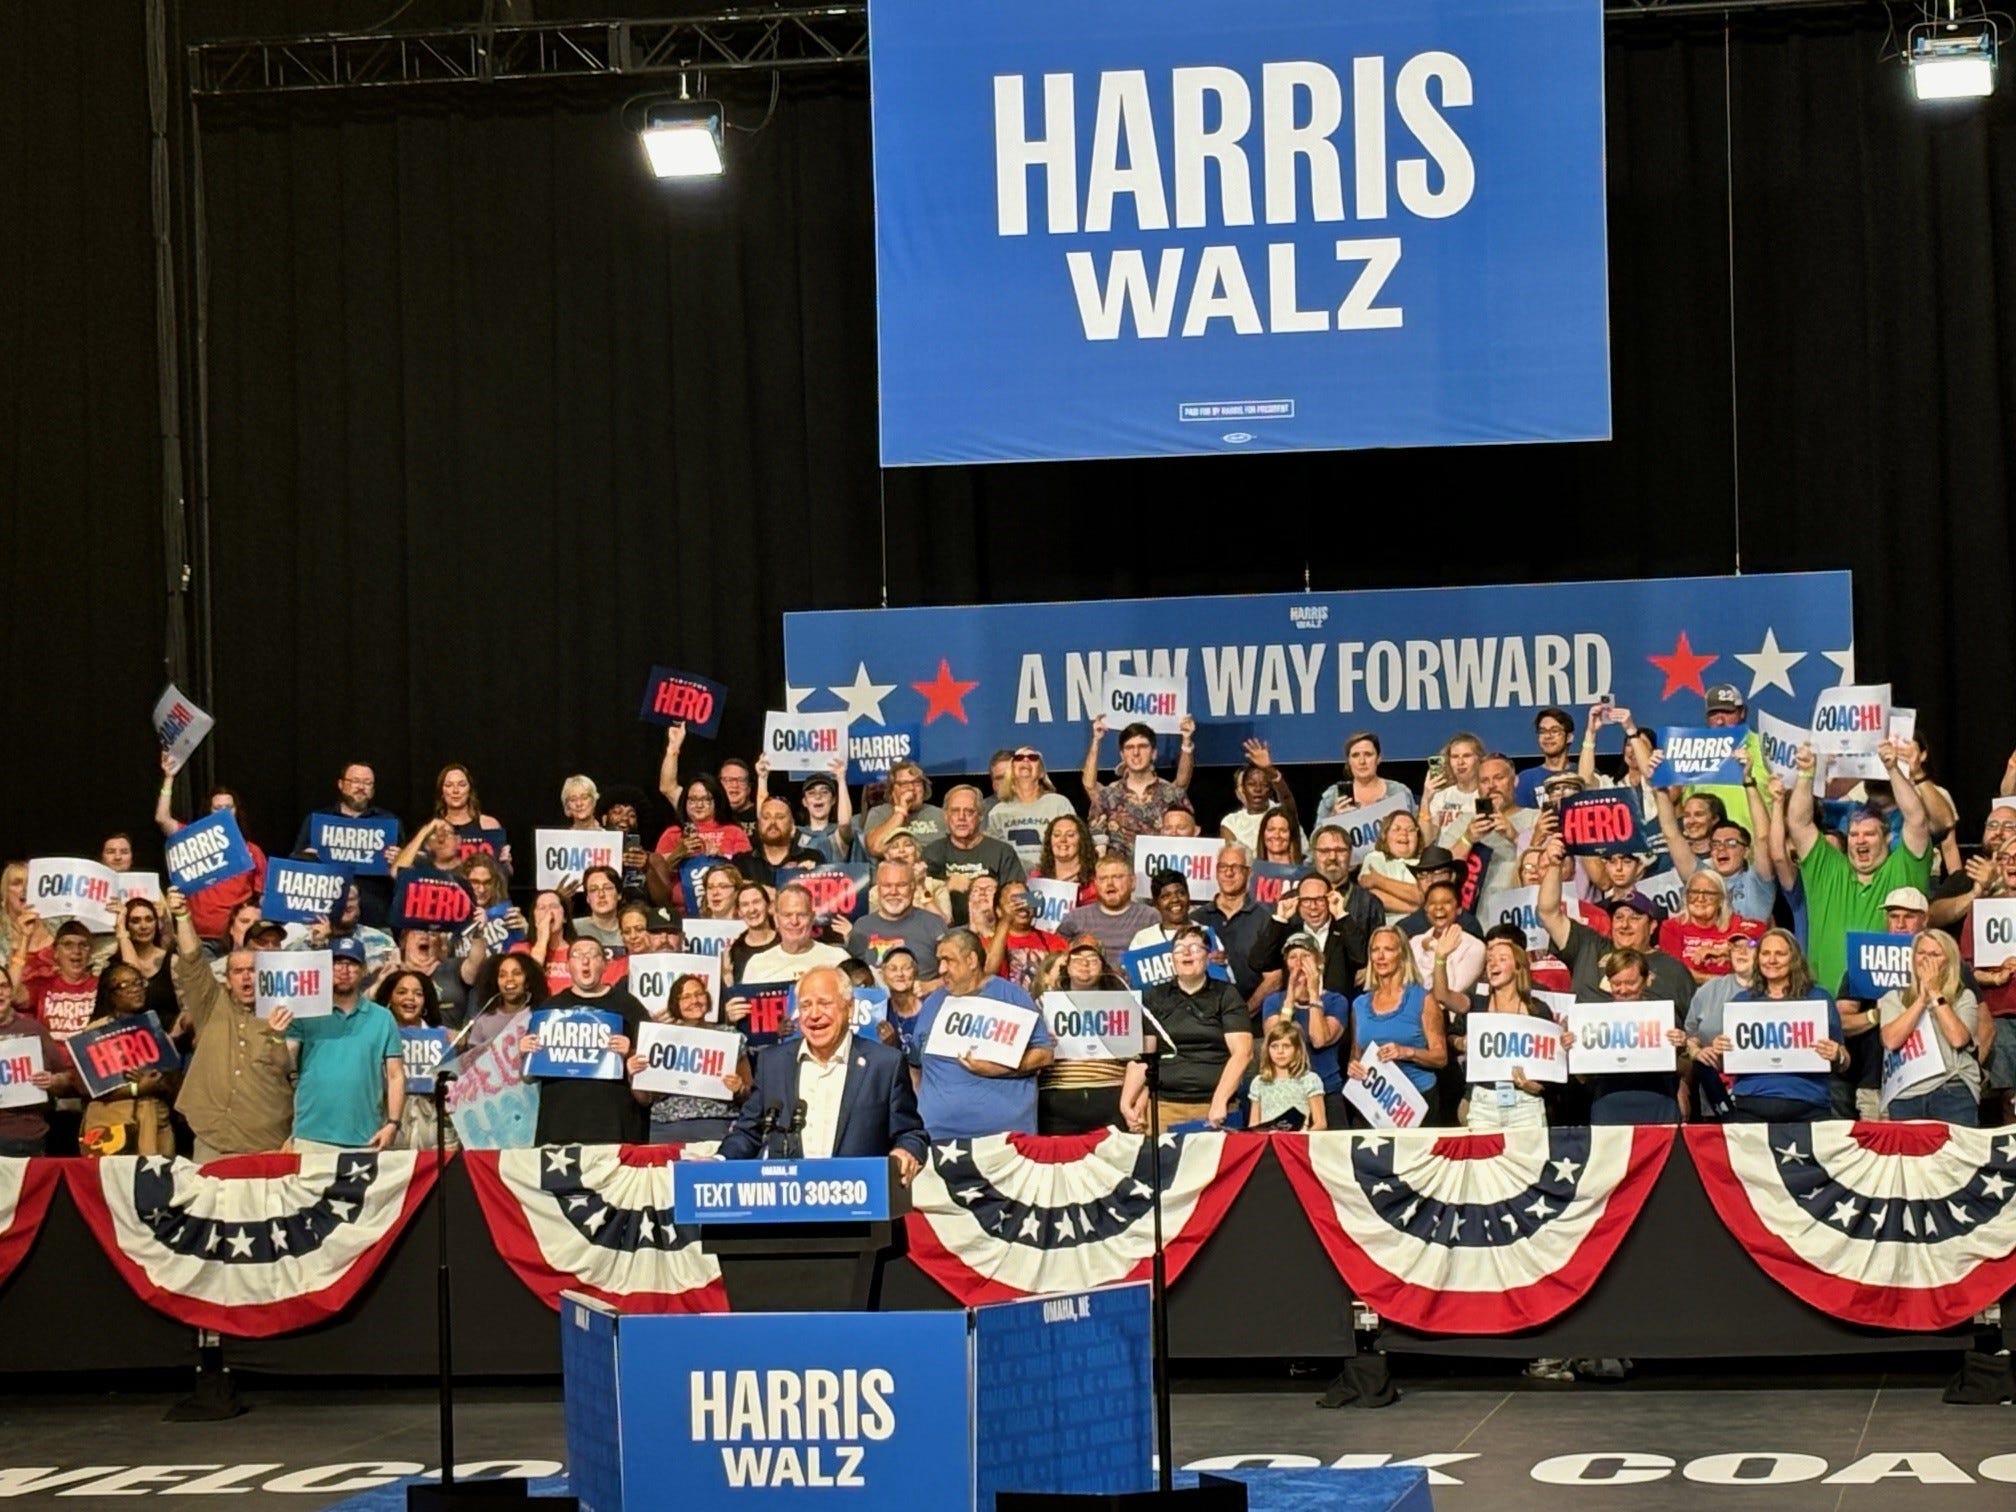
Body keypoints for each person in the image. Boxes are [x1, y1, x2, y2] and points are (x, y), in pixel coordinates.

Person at [720, 966, 926, 1172]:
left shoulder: (885, 1064)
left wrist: (904, 1152)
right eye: (806, 1006)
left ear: (850, 1008)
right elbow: (748, 1133)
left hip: (858, 1194)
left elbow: (910, 1134)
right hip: (790, 1195)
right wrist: (718, 1161)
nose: (814, 1015)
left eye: (825, 1003)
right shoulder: (773, 1062)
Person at [1785, 739, 1932, 1000]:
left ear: (1888, 838)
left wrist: (1893, 770)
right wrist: (1806, 774)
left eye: (1869, 834)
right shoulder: (1827, 868)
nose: (1860, 840)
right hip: (1827, 1004)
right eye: (1854, 834)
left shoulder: (1904, 868)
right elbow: (1799, 823)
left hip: (1894, 1008)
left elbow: (1917, 819)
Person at [164, 886, 295, 1159]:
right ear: (227, 978)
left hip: (267, 1139)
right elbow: (192, 959)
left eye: (253, 971)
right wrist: (183, 916)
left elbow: (288, 1068)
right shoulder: (211, 1004)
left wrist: (278, 1036)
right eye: (239, 971)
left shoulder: (289, 1009)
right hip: (212, 1136)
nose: (246, 977)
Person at [907, 929, 1053, 1139]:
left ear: (972, 960)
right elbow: (915, 1065)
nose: (941, 969)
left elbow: (1044, 1055)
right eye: (939, 961)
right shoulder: (932, 1003)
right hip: (938, 1136)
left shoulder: (1013, 997)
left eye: (948, 960)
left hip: (1004, 1139)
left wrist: (1001, 1069)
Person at [269, 947, 405, 1153]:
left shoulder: (382, 1018)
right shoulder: (304, 1013)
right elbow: (285, 1065)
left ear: (364, 970)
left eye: (351, 963)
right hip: (310, 1134)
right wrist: (277, 1037)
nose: (344, 969)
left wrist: (393, 1124)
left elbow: (396, 1075)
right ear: (324, 969)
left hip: (366, 1137)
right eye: (337, 963)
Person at [1706, 929, 1845, 1123]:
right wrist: (1720, 1051)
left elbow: (1844, 1062)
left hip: (1809, 1105)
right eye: (1765, 953)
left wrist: (1838, 1054)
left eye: (1780, 954)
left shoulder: (1818, 998)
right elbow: (1727, 1064)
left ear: (1794, 958)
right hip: (1751, 1105)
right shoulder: (1741, 1002)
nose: (1771, 960)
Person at [519, 937, 646, 1145]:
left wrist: (630, 1052)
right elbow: (528, 1077)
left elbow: (649, 1068)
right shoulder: (549, 1009)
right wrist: (524, 1053)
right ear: (568, 966)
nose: (585, 961)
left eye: (593, 955)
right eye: (577, 956)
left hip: (614, 1126)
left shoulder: (629, 1006)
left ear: (605, 964)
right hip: (559, 1127)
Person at [1126, 926, 1253, 1132]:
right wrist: (1129, 1102)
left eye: (1194, 947)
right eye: (1179, 948)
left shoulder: (1227, 995)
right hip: (1164, 1105)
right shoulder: (1155, 996)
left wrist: (1220, 1101)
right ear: (1172, 958)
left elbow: (1242, 1053)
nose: (1186, 953)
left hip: (1215, 1106)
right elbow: (1145, 1057)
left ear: (1208, 955)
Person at [153, 755, 268, 944]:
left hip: (238, 939)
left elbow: (263, 895)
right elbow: (162, 818)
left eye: (228, 807)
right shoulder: (193, 839)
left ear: (236, 810)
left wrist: (258, 924)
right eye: (217, 808)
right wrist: (169, 778)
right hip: (198, 938)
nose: (223, 812)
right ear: (209, 811)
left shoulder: (252, 850)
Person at [71, 962, 182, 1157]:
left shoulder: (157, 1032)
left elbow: (175, 1086)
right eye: (124, 986)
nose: (135, 990)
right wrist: (137, 1088)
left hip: (155, 1125)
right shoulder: (94, 1034)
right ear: (110, 994)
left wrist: (158, 1083)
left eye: (138, 983)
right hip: (110, 1126)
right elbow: (86, 1087)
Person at [1877, 929, 1985, 1124]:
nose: (1926, 960)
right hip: (1905, 1095)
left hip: (1952, 1091)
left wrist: (1935, 993)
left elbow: (1958, 1038)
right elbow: (1891, 1040)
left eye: (1935, 955)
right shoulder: (1893, 998)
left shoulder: (1963, 997)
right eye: (1921, 953)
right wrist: (1920, 1001)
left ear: (1949, 962)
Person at [629, 972, 751, 1144]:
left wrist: (739, 1089)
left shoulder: (729, 1036)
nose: (694, 1001)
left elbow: (748, 1092)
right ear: (675, 1004)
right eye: (685, 997)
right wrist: (634, 1074)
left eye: (699, 994)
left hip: (717, 1126)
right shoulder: (658, 1038)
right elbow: (645, 1099)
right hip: (666, 1128)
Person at [1452, 937, 1555, 1131]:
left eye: (1502, 958)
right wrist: (1460, 1042)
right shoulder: (1477, 1005)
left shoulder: (1538, 1011)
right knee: (1483, 1160)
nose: (1493, 964)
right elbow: (1445, 1005)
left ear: (1518, 967)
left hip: (1526, 1102)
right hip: (1484, 1100)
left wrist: (1539, 1086)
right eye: (1490, 959)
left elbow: (1552, 1063)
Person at [1348, 926, 1447, 1124]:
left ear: (1402, 954)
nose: (1380, 956)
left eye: (1388, 950)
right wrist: (1354, 1067)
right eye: (1375, 950)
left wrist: (1406, 1052)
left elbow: (1441, 1057)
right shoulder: (1359, 1004)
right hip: (1375, 1103)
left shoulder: (1423, 999)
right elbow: (1356, 1053)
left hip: (1416, 1101)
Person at [1033, 937, 1130, 1132]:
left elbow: (1139, 1057)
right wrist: (1042, 1045)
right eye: (1077, 959)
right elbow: (1029, 1053)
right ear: (1067, 966)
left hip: (1110, 1093)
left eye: (1093, 960)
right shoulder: (1045, 1004)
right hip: (1059, 1096)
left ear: (1103, 967)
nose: (1085, 964)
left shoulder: (1122, 1003)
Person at [293, 762, 405, 926]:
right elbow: (295, 865)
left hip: (376, 916)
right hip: (323, 916)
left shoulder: (389, 822)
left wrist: (399, 860)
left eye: (367, 783)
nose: (361, 787)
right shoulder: (317, 820)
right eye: (355, 781)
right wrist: (307, 858)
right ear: (341, 784)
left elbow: (405, 874)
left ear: (373, 790)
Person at [1256, 934, 1348, 1125]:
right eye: (1292, 957)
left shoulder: (1335, 1001)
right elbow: (1278, 1039)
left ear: (1319, 962)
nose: (1298, 963)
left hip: (1326, 1091)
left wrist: (1313, 994)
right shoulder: (1274, 1002)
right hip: (1283, 1093)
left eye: (1305, 956)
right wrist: (1290, 998)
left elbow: (1319, 1039)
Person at [1081, 715, 1196, 861]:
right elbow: (1089, 785)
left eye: (1142, 746)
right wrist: (1096, 740)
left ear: (1153, 753)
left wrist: (1186, 741)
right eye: (1129, 747)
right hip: (1119, 878)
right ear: (1122, 755)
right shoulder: (1109, 795)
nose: (1136, 753)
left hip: (1161, 877)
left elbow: (1182, 783)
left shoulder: (1170, 793)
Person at [1251, 871, 1367, 999]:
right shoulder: (1288, 933)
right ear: (1298, 902)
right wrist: (1280, 919)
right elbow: (1258, 962)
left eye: (1319, 900)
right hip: (1295, 1011)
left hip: (1335, 1011)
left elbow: (1361, 959)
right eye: (1306, 900)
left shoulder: (1344, 930)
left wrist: (1340, 914)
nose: (1313, 907)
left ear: (1330, 899)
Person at [1683, 930, 1760, 1121]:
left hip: (1758, 1092)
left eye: (1749, 946)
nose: (1741, 952)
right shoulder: (1711, 989)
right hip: (1714, 1095)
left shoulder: (1772, 991)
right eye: (1735, 946)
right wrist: (1696, 1051)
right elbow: (1689, 1037)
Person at [923, 786, 1026, 925]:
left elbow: (1024, 899)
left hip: (993, 929)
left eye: (969, 811)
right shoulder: (932, 852)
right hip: (945, 931)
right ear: (946, 816)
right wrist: (945, 886)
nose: (961, 817)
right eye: (955, 811)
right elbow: (919, 896)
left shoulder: (1002, 852)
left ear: (980, 816)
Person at [1194, 844, 1278, 1013]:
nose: (1228, 873)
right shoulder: (1196, 919)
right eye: (1223, 867)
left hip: (1252, 1025)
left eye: (1236, 867)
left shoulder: (1266, 919)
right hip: (1204, 1021)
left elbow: (1274, 979)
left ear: (1249, 872)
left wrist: (1242, 1014)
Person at [1657, 869, 1766, 984]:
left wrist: (1721, 951)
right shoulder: (1671, 927)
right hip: (1689, 994)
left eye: (1708, 894)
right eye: (1694, 893)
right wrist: (1717, 982)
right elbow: (1674, 973)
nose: (1700, 899)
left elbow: (1758, 943)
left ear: (1721, 900)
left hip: (1733, 994)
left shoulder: (1737, 924)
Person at [0, 963, 62, 1154]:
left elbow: (67, 1078)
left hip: (29, 1136)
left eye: (2, 986)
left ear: (11, 991)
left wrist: (53, 1081)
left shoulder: (33, 1029)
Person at [846, 860, 948, 972]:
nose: (893, 892)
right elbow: (854, 975)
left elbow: (954, 974)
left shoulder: (934, 923)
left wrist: (932, 985)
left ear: (913, 886)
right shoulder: (862, 926)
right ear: (878, 888)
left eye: (901, 885)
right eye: (887, 885)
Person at [1058, 856, 1161, 966]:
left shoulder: (1150, 917)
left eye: (1117, 877)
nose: (1110, 883)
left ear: (1133, 881)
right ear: (1096, 884)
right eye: (1103, 879)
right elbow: (1057, 956)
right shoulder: (1076, 917)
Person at [986, 746, 1077, 868]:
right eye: (1019, 758)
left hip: (1051, 877)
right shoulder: (998, 812)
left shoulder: (1059, 804)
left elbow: (1075, 844)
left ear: (1041, 772)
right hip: (1014, 880)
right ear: (1011, 772)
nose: (1026, 761)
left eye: (1033, 758)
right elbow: (994, 855)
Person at [741, 884, 848, 985]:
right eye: (787, 915)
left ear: (812, 918)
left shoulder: (838, 959)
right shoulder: (756, 965)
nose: (794, 921)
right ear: (776, 919)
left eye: (801, 915)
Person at [1314, 731, 1416, 825]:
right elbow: (1315, 840)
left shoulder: (1399, 792)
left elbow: (1417, 834)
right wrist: (1334, 818)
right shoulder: (1333, 796)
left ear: (1379, 758)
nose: (1362, 761)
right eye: (1355, 755)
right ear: (1349, 761)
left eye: (1368, 754)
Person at [985, 880, 1065, 994]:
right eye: (1014, 901)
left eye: (1026, 899)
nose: (1022, 906)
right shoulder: (989, 943)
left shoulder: (1054, 941)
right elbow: (989, 970)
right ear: (998, 911)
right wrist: (1006, 919)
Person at [1220, 739, 1298, 852]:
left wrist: (1269, 769)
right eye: (1251, 784)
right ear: (1243, 788)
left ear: (1271, 790)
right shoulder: (1231, 822)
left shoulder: (1282, 812)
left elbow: (1287, 797)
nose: (1258, 789)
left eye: (1264, 784)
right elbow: (1235, 856)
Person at [1248, 1019, 1327, 1131]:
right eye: (1274, 1046)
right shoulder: (1259, 1082)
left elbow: (1320, 1122)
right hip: (1268, 1143)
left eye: (1286, 1046)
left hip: (1296, 1142)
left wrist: (1300, 1138)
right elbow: (1254, 1124)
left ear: (1297, 1050)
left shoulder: (1309, 1079)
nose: (1280, 1051)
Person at [107, 896, 177, 1023]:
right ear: (127, 926)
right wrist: (121, 930)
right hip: (132, 1036)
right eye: (135, 921)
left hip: (172, 1036)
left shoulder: (173, 960)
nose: (144, 926)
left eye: (149, 919)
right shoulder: (113, 965)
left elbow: (187, 1008)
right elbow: (133, 974)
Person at [1408, 882, 1485, 995]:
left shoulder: (1474, 947)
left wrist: (1434, 949)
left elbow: (1450, 991)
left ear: (1458, 908)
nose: (1439, 907)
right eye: (1432, 903)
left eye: (1447, 902)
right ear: (1426, 910)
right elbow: (1410, 985)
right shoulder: (1414, 943)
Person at [738, 793, 825, 890]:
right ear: (758, 825)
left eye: (780, 817)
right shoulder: (742, 863)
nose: (772, 822)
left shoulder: (812, 857)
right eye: (766, 817)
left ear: (792, 825)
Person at [862, 761, 948, 857]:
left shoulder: (940, 814)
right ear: (892, 789)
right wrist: (900, 813)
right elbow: (875, 848)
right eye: (904, 784)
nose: (911, 788)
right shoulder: (879, 813)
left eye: (917, 783)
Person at [433, 762, 510, 866]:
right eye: (449, 785)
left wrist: (506, 863)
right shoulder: (434, 829)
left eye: (462, 785)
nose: (456, 790)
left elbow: (504, 872)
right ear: (442, 792)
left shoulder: (488, 825)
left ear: (470, 790)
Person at [1421, 732, 1488, 848]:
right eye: (1455, 757)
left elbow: (1487, 837)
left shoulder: (1487, 795)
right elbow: (1426, 840)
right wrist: (1426, 799)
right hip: (1443, 860)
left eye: (1467, 756)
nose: (1460, 762)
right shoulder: (1441, 796)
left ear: (1479, 759)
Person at [1359, 811, 1425, 927]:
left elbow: (1422, 895)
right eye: (1396, 829)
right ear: (1385, 834)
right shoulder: (1375, 858)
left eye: (1410, 830)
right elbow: (1373, 896)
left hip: (1421, 929)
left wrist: (1378, 880)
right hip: (1386, 928)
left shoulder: (1426, 862)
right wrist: (1415, 909)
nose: (1404, 834)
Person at [1514, 709, 1578, 810]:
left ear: (1569, 737)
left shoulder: (1582, 773)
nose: (1548, 736)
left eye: (1555, 731)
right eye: (1542, 731)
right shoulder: (1526, 779)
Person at [1033, 814, 1099, 905]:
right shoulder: (1036, 877)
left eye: (1070, 835)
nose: (1063, 840)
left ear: (1082, 841)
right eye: (1056, 835)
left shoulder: (1096, 881)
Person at [725, 881, 780, 984]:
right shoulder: (734, 952)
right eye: (745, 905)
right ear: (739, 912)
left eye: (756, 902)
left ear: (769, 906)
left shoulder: (785, 942)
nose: (752, 909)